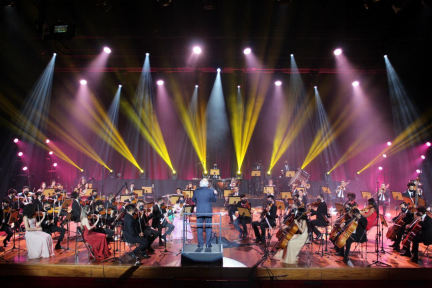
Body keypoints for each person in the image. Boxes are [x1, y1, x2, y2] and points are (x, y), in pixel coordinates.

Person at [192, 178, 218, 248]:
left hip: (199, 211)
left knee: (199, 228)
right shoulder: (210, 191)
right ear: (207, 184)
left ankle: (200, 244)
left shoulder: (196, 191)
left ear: (200, 184)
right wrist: (215, 194)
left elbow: (193, 199)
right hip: (208, 211)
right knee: (208, 227)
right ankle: (208, 244)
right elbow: (214, 200)